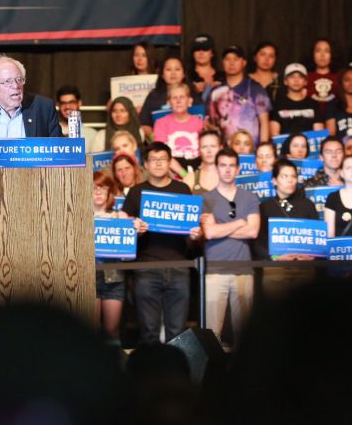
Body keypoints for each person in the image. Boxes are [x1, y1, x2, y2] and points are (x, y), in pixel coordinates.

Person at [123, 143, 199, 345]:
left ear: (169, 162)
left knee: (177, 333)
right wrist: (134, 230)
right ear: (146, 164)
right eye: (153, 160)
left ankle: (177, 374)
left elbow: (192, 231)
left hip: (179, 266)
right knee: (148, 332)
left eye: (163, 159)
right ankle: (150, 374)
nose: (158, 163)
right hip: (146, 268)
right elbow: (124, 232)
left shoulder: (182, 189)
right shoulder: (135, 192)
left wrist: (194, 233)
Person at [200, 149, 260, 346]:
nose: (227, 170)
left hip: (243, 270)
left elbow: (253, 232)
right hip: (215, 270)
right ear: (217, 168)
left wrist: (220, 227)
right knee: (212, 333)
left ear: (238, 169)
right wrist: (239, 223)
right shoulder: (206, 199)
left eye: (231, 165)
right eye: (223, 165)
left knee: (245, 333)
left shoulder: (250, 198)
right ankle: (211, 376)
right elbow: (208, 233)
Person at [253, 160, 320, 297]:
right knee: (276, 315)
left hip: (304, 269)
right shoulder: (264, 207)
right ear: (274, 181)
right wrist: (275, 257)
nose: (290, 180)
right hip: (276, 270)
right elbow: (258, 242)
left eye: (293, 176)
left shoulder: (307, 205)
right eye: (285, 176)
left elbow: (318, 238)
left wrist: (313, 256)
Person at [207, 45, 272, 145]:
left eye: (236, 59)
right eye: (227, 59)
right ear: (223, 63)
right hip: (223, 153)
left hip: (250, 153)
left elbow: (264, 122)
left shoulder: (255, 89)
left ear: (244, 62)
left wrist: (263, 148)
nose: (231, 63)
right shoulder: (215, 91)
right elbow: (210, 124)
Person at [92, 171, 127, 341]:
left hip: (114, 277)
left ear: (109, 192)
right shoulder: (77, 216)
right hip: (87, 278)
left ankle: (114, 366)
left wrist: (136, 228)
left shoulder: (120, 216)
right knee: (91, 330)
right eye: (94, 188)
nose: (98, 192)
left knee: (112, 330)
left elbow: (129, 249)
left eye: (103, 188)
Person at [153, 83, 203, 170]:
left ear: (190, 101)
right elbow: (161, 155)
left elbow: (204, 153)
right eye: (174, 98)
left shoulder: (199, 123)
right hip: (170, 172)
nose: (178, 101)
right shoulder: (160, 123)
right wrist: (184, 174)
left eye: (182, 97)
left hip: (196, 169)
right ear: (169, 102)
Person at [138, 54, 189, 135]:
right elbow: (144, 125)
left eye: (177, 69)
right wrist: (156, 140)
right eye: (168, 69)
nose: (173, 73)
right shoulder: (153, 96)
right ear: (162, 74)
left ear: (183, 74)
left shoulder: (192, 94)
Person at [270, 63, 324, 136]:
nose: (296, 80)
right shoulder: (278, 104)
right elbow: (274, 134)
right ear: (285, 81)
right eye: (292, 77)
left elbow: (318, 134)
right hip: (284, 146)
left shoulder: (313, 104)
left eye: (300, 77)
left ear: (305, 82)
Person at [306, 37, 339, 117]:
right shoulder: (305, 77)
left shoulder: (339, 77)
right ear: (312, 54)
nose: (322, 55)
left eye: (327, 51)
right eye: (318, 51)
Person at [188, 130, 222, 194]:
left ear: (220, 148)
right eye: (204, 147)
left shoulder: (231, 175)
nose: (209, 151)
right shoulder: (190, 178)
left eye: (213, 146)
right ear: (199, 150)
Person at [187, 34, 217, 98]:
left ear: (212, 53)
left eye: (205, 49)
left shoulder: (222, 77)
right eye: (197, 49)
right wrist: (192, 89)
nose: (201, 53)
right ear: (193, 54)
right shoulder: (186, 77)